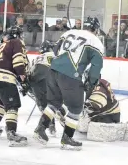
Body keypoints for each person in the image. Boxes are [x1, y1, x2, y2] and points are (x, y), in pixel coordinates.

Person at [33, 16, 104, 150]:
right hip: (71, 75)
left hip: (53, 70)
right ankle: (67, 137)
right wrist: (91, 82)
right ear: (95, 29)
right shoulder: (96, 42)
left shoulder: (68, 33)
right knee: (76, 107)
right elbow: (96, 67)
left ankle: (40, 129)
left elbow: (55, 51)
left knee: (54, 103)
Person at [0, 26, 28, 147]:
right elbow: (18, 60)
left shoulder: (2, 44)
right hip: (4, 77)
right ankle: (11, 133)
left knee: (1, 103)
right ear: (16, 35)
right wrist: (22, 75)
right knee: (12, 106)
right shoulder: (17, 42)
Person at [28, 40, 57, 135]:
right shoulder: (53, 55)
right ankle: (52, 125)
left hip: (33, 81)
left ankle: (50, 123)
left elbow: (30, 72)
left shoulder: (35, 58)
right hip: (46, 77)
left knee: (43, 105)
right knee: (52, 104)